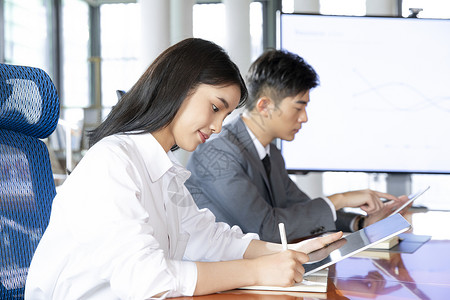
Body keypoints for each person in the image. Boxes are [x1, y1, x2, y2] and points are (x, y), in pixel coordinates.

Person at [24, 39, 343, 299]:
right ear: (178, 88)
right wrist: (258, 271)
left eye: (225, 115)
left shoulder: (165, 171)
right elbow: (148, 279)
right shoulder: (112, 162)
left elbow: (211, 239)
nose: (218, 126)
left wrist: (288, 251)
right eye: (216, 107)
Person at [185, 49, 409, 243]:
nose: (304, 118)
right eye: (298, 107)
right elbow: (267, 229)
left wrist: (360, 222)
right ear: (264, 106)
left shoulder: (271, 153)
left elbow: (299, 207)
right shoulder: (218, 153)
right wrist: (341, 198)